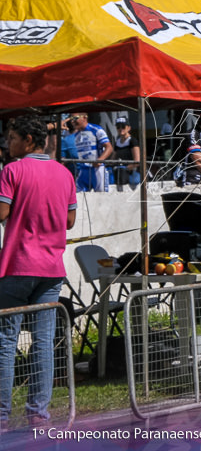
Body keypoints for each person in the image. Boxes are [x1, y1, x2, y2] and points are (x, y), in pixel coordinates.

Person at [0, 115, 77, 430]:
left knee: (6, 340)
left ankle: (2, 416)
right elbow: (69, 222)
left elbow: (2, 212)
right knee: (43, 341)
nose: (8, 144)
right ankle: (38, 414)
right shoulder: (64, 173)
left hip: (17, 266)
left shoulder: (12, 170)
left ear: (28, 141)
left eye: (12, 138)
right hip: (51, 269)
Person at [68, 113, 112, 192]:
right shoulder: (76, 135)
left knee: (101, 197)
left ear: (84, 118)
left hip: (97, 169)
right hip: (83, 170)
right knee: (76, 195)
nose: (72, 121)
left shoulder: (96, 129)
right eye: (71, 119)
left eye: (75, 118)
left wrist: (100, 160)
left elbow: (109, 147)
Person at [112, 116, 141, 190]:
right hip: (119, 174)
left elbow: (137, 161)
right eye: (118, 127)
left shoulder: (132, 141)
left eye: (123, 126)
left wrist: (126, 168)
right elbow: (113, 159)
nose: (120, 129)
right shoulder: (117, 142)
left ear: (128, 128)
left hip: (131, 174)